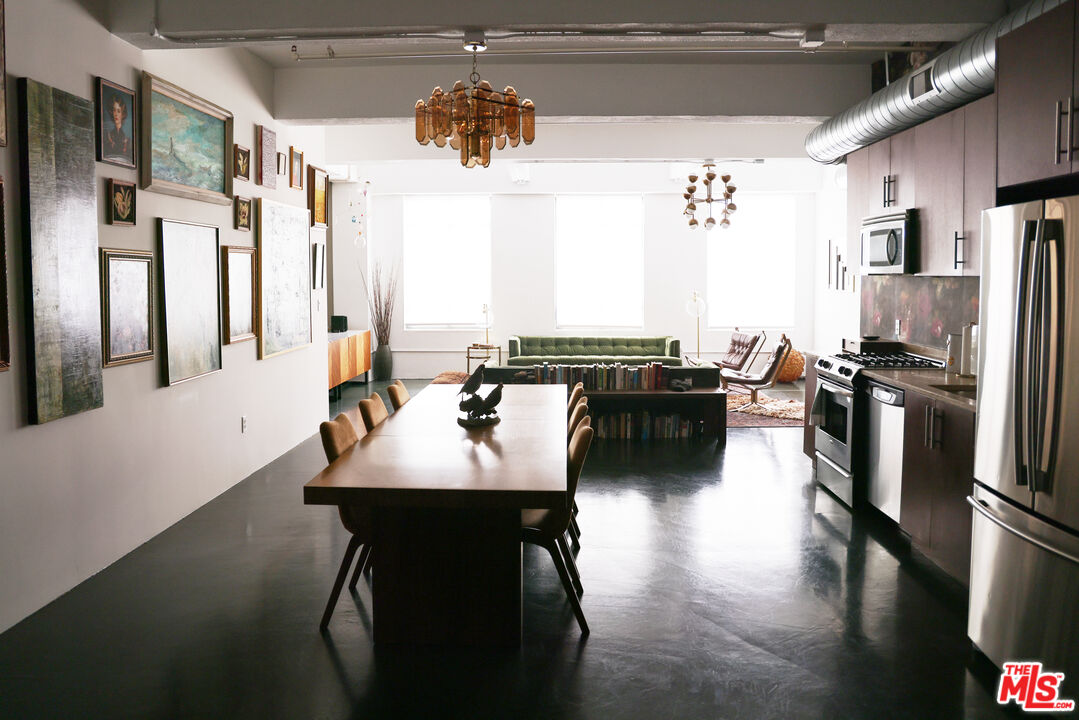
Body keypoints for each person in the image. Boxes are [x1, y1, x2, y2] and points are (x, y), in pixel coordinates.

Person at [103, 94, 132, 163]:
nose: (116, 114)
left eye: (118, 111)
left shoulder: (127, 139)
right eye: (114, 110)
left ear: (123, 114)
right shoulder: (108, 135)